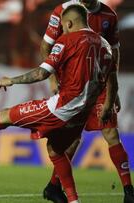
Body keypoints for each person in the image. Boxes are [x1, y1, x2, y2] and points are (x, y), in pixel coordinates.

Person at [0, 4, 113, 203]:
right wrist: (108, 103)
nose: (62, 31)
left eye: (63, 28)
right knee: (55, 151)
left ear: (69, 23)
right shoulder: (104, 45)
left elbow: (41, 72)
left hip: (60, 108)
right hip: (82, 113)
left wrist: (11, 80)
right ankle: (73, 201)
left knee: (5, 116)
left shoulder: (67, 40)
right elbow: (112, 80)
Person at [40, 1, 134, 202]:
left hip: (98, 84)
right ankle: (54, 187)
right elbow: (46, 44)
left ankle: (128, 191)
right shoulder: (63, 11)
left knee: (111, 133)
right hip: (72, 84)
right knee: (72, 140)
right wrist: (52, 77)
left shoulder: (109, 16)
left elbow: (113, 53)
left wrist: (113, 89)